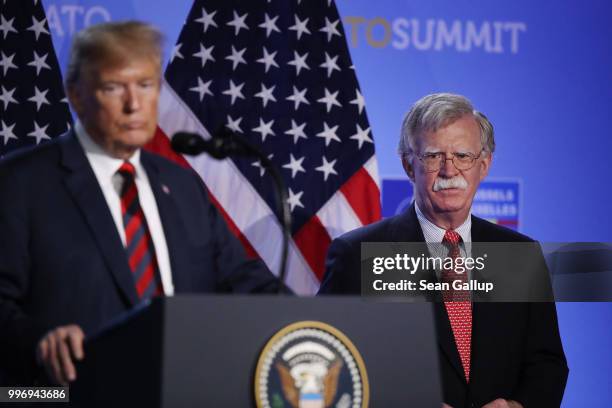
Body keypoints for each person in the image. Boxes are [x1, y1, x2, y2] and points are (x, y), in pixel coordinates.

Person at [0, 21, 283, 386]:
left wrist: (317, 319)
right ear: (76, 94)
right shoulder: (20, 183)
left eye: (146, 86)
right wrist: (39, 340)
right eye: (114, 88)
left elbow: (242, 280)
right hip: (70, 393)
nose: (134, 104)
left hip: (181, 390)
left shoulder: (181, 186)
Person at [318, 93, 568, 407]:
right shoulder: (356, 255)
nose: (450, 171)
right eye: (434, 156)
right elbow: (328, 361)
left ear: (484, 165)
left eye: (463, 155)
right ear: (409, 165)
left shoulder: (521, 256)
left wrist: (517, 406)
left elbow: (547, 364)